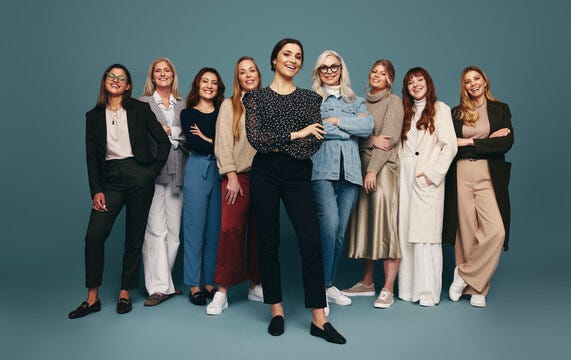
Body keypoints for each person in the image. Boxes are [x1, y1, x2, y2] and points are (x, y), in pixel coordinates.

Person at [243, 38, 346, 344]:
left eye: (298, 56)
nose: (293, 59)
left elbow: (312, 144)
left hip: (298, 175)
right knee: (268, 240)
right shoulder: (256, 98)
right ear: (274, 60)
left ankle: (319, 318)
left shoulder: (310, 100)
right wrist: (296, 133)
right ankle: (276, 310)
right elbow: (256, 139)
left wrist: (284, 141)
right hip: (264, 175)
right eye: (286, 54)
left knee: (311, 241)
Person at [68, 64, 170, 318]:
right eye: (111, 76)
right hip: (110, 180)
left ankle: (125, 292)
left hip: (139, 176)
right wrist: (96, 190)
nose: (115, 80)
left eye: (120, 78)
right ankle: (92, 298)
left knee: (134, 238)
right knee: (94, 236)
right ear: (105, 82)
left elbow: (163, 142)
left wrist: (151, 172)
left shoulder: (140, 109)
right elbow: (92, 158)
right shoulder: (93, 116)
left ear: (128, 86)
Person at [444, 66, 514, 308]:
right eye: (467, 81)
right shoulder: (456, 113)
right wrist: (486, 141)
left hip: (488, 173)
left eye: (476, 79)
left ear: (485, 81)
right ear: (463, 86)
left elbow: (505, 143)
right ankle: (477, 290)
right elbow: (451, 146)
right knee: (466, 231)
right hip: (461, 171)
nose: (472, 84)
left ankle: (464, 274)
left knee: (496, 231)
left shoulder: (500, 109)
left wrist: (470, 141)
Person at [310, 50, 373, 309]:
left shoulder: (356, 100)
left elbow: (367, 126)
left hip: (351, 173)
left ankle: (327, 285)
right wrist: (348, 128)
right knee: (328, 226)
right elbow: (317, 131)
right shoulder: (312, 100)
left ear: (341, 68)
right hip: (323, 171)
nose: (329, 71)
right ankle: (318, 288)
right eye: (323, 68)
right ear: (318, 72)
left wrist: (337, 121)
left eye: (333, 66)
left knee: (338, 233)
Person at [343, 59, 404, 309]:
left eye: (383, 73)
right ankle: (367, 283)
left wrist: (372, 171)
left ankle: (388, 287)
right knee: (369, 226)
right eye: (374, 71)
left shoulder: (394, 102)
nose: (377, 75)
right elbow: (351, 137)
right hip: (362, 171)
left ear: (389, 79)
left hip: (383, 171)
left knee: (386, 226)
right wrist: (370, 140)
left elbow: (388, 141)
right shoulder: (359, 102)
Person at [207, 56, 264, 315]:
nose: (248, 75)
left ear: (258, 74)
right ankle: (222, 292)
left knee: (260, 232)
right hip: (238, 176)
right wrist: (230, 175)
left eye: (252, 70)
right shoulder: (230, 105)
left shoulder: (268, 102)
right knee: (230, 230)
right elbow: (222, 142)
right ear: (238, 78)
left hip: (265, 176)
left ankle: (255, 284)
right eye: (243, 72)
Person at [398, 67, 457, 307]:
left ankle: (428, 292)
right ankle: (408, 289)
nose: (415, 85)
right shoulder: (406, 112)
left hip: (426, 177)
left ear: (428, 83)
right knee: (405, 235)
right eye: (410, 82)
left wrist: (432, 175)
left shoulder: (441, 109)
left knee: (426, 237)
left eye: (419, 80)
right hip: (404, 177)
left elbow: (450, 146)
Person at [139, 57, 186, 306]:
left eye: (167, 69)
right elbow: (141, 138)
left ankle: (165, 282)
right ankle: (157, 287)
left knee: (174, 233)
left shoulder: (183, 104)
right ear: (152, 76)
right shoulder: (142, 104)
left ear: (173, 74)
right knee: (155, 230)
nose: (163, 73)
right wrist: (168, 133)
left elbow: (190, 137)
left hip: (178, 173)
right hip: (153, 173)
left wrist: (170, 133)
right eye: (158, 70)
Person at [181, 68, 225, 306]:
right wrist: (214, 141)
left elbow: (231, 142)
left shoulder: (222, 113)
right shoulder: (188, 114)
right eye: (205, 81)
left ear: (219, 88)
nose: (209, 85)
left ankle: (210, 282)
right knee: (194, 230)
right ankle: (194, 285)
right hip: (197, 170)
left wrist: (210, 140)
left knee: (214, 231)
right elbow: (195, 142)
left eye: (214, 83)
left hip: (220, 171)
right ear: (197, 84)